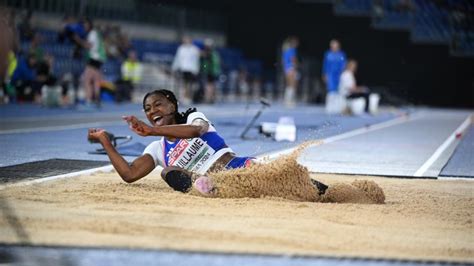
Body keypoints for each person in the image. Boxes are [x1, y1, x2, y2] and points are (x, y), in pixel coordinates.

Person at [88, 89, 329, 195]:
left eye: (158, 104)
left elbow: (195, 130)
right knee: (168, 171)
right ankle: (207, 189)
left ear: (172, 105)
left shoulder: (194, 116)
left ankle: (330, 193)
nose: (153, 111)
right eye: (147, 109)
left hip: (238, 169)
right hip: (214, 185)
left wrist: (150, 130)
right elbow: (130, 174)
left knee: (292, 181)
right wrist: (105, 141)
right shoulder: (157, 149)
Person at [80, 18, 106, 107]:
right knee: (96, 80)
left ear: (89, 25)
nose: (84, 27)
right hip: (100, 59)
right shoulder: (97, 33)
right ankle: (97, 99)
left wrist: (79, 41)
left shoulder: (92, 34)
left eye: (85, 25)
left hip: (94, 58)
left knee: (86, 80)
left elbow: (89, 45)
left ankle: (88, 100)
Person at [172, 36, 200, 104]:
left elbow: (196, 60)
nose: (186, 41)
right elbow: (177, 58)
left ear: (190, 41)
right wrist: (174, 67)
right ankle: (184, 97)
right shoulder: (181, 48)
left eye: (187, 40)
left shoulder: (194, 49)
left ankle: (189, 97)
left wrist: (196, 69)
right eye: (185, 40)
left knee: (190, 84)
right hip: (183, 68)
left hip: (191, 69)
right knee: (184, 84)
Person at [199, 39, 221, 104]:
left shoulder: (211, 53)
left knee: (209, 85)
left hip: (211, 71)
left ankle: (209, 98)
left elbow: (207, 64)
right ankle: (210, 98)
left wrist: (204, 67)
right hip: (210, 71)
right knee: (210, 85)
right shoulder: (212, 53)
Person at [281, 36, 299, 107]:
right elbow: (293, 59)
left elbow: (284, 61)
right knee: (292, 85)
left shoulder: (286, 50)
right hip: (291, 68)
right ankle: (290, 100)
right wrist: (295, 66)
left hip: (287, 68)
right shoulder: (292, 50)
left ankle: (287, 100)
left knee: (289, 85)